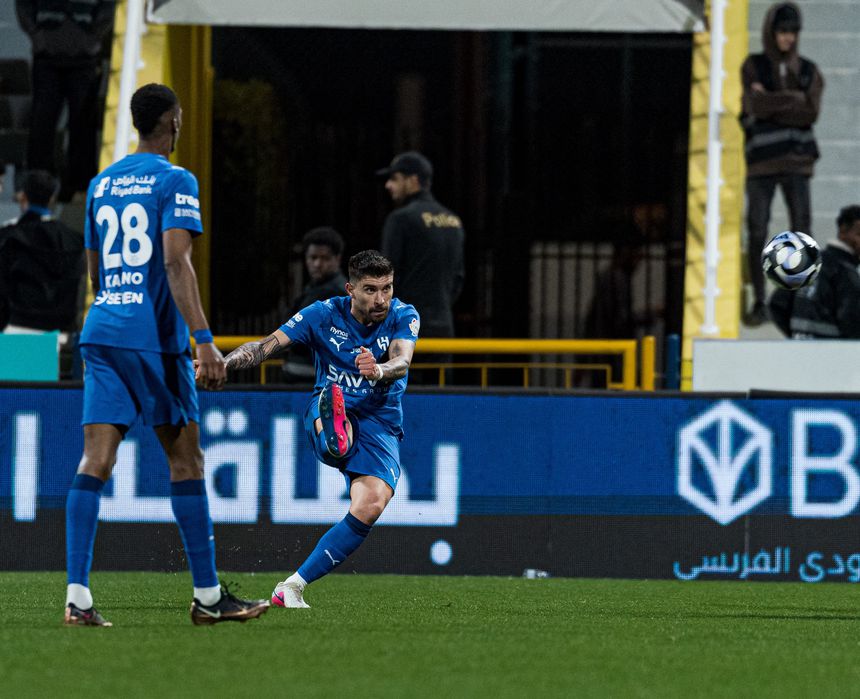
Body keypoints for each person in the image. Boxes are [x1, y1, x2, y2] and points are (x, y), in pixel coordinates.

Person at [64, 83, 269, 626]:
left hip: (102, 328)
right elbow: (176, 263)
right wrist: (204, 341)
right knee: (186, 460)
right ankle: (207, 597)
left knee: (95, 461)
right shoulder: (176, 180)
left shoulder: (101, 184)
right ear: (174, 121)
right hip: (152, 338)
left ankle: (78, 598)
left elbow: (94, 271)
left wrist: (117, 300)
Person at [225, 250, 419, 608]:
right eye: (371, 289)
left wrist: (377, 370)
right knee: (336, 431)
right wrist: (222, 365)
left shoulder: (403, 314)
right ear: (350, 289)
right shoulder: (322, 314)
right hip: (329, 406)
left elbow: (401, 361)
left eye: (387, 288)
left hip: (380, 420)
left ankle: (291, 587)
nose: (381, 299)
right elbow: (266, 346)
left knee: (372, 504)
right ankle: (333, 428)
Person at [740, 1, 824, 326]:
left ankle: (801, 299)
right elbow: (752, 105)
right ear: (771, 33)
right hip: (761, 162)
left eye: (792, 32)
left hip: (797, 161)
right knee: (757, 229)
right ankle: (759, 301)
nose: (787, 38)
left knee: (802, 228)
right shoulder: (754, 66)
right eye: (782, 31)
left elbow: (811, 111)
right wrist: (793, 100)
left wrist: (770, 101)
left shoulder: (808, 70)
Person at [16, 0, 116, 200]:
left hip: (84, 58)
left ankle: (79, 186)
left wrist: (93, 37)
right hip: (46, 56)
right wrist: (37, 36)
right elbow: (23, 5)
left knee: (83, 126)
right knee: (41, 123)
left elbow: (108, 6)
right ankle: (36, 187)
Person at [377, 151, 463, 382]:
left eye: (395, 178)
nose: (388, 185)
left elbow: (385, 279)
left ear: (413, 180)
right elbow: (458, 279)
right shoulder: (453, 221)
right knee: (438, 400)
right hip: (443, 327)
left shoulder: (401, 219)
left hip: (404, 329)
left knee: (400, 402)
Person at [0, 169, 84, 341]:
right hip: (61, 332)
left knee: (26, 367)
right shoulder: (73, 240)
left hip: (17, 329)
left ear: (22, 197)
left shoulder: (10, 237)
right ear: (52, 198)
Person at [769, 206, 860, 338]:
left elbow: (778, 303)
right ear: (843, 231)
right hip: (832, 352)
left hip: (800, 349)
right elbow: (851, 323)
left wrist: (798, 335)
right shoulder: (846, 274)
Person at [280, 226, 347, 382]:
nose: (317, 264)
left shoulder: (336, 292)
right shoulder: (316, 286)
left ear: (337, 259)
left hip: (313, 377)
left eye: (324, 258)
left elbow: (296, 335)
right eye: (313, 257)